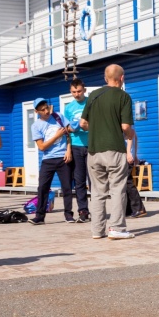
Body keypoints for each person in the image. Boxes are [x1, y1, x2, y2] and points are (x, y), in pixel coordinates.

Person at [80, 64, 135, 240]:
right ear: (122, 78)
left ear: (105, 78)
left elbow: (82, 123)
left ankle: (97, 231)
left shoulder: (93, 96)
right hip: (115, 150)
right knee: (117, 190)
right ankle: (116, 228)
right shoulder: (124, 97)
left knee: (97, 192)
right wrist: (130, 134)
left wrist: (97, 128)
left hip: (93, 151)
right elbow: (125, 126)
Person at [29, 98, 75, 225]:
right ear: (37, 112)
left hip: (63, 158)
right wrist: (56, 136)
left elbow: (68, 134)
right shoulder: (35, 126)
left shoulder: (58, 116)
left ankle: (68, 214)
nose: (46, 111)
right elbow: (42, 147)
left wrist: (69, 150)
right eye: (42, 110)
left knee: (67, 187)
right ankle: (39, 216)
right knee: (43, 187)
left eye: (47, 108)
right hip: (48, 159)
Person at [65, 78, 91, 223]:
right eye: (74, 92)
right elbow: (66, 129)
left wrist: (87, 126)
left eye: (79, 91)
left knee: (94, 180)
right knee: (79, 181)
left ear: (84, 90)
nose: (76, 94)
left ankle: (98, 209)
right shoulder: (69, 108)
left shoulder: (91, 103)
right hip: (76, 145)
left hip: (91, 145)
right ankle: (83, 210)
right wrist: (71, 128)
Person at [125, 128, 147, 218]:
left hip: (127, 156)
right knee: (124, 182)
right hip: (129, 154)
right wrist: (135, 154)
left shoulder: (126, 125)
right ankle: (129, 209)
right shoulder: (130, 124)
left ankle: (139, 208)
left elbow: (132, 135)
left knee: (127, 182)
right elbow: (135, 138)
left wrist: (129, 153)